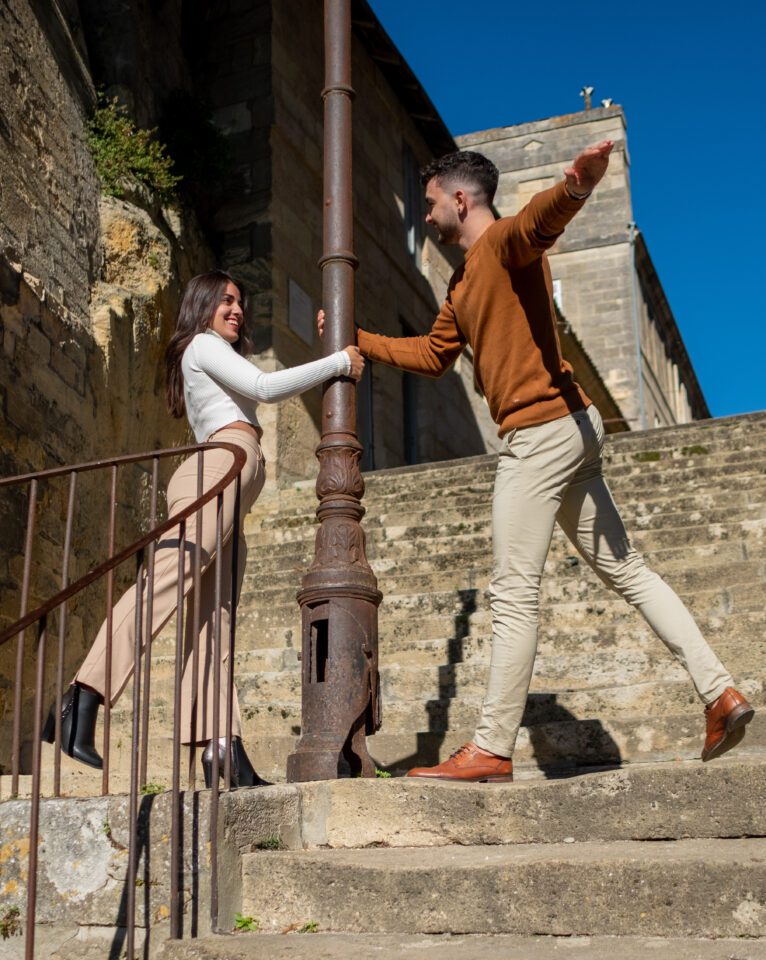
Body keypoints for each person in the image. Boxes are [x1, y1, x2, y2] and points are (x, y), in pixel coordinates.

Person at [319, 141, 754, 782]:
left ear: (460, 199)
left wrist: (576, 186)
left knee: (514, 592)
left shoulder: (501, 244)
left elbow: (536, 222)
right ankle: (720, 692)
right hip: (573, 428)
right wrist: (358, 341)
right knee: (628, 570)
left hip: (541, 432)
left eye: (433, 202)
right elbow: (435, 355)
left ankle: (492, 745)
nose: (429, 214)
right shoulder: (462, 280)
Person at [44, 270, 364, 787]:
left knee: (217, 616)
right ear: (203, 306)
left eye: (241, 301)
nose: (236, 309)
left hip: (234, 479)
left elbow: (254, 385)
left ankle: (221, 747)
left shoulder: (221, 352)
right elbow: (265, 386)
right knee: (166, 582)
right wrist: (338, 362)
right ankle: (83, 696)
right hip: (215, 470)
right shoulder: (201, 344)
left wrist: (332, 337)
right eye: (225, 300)